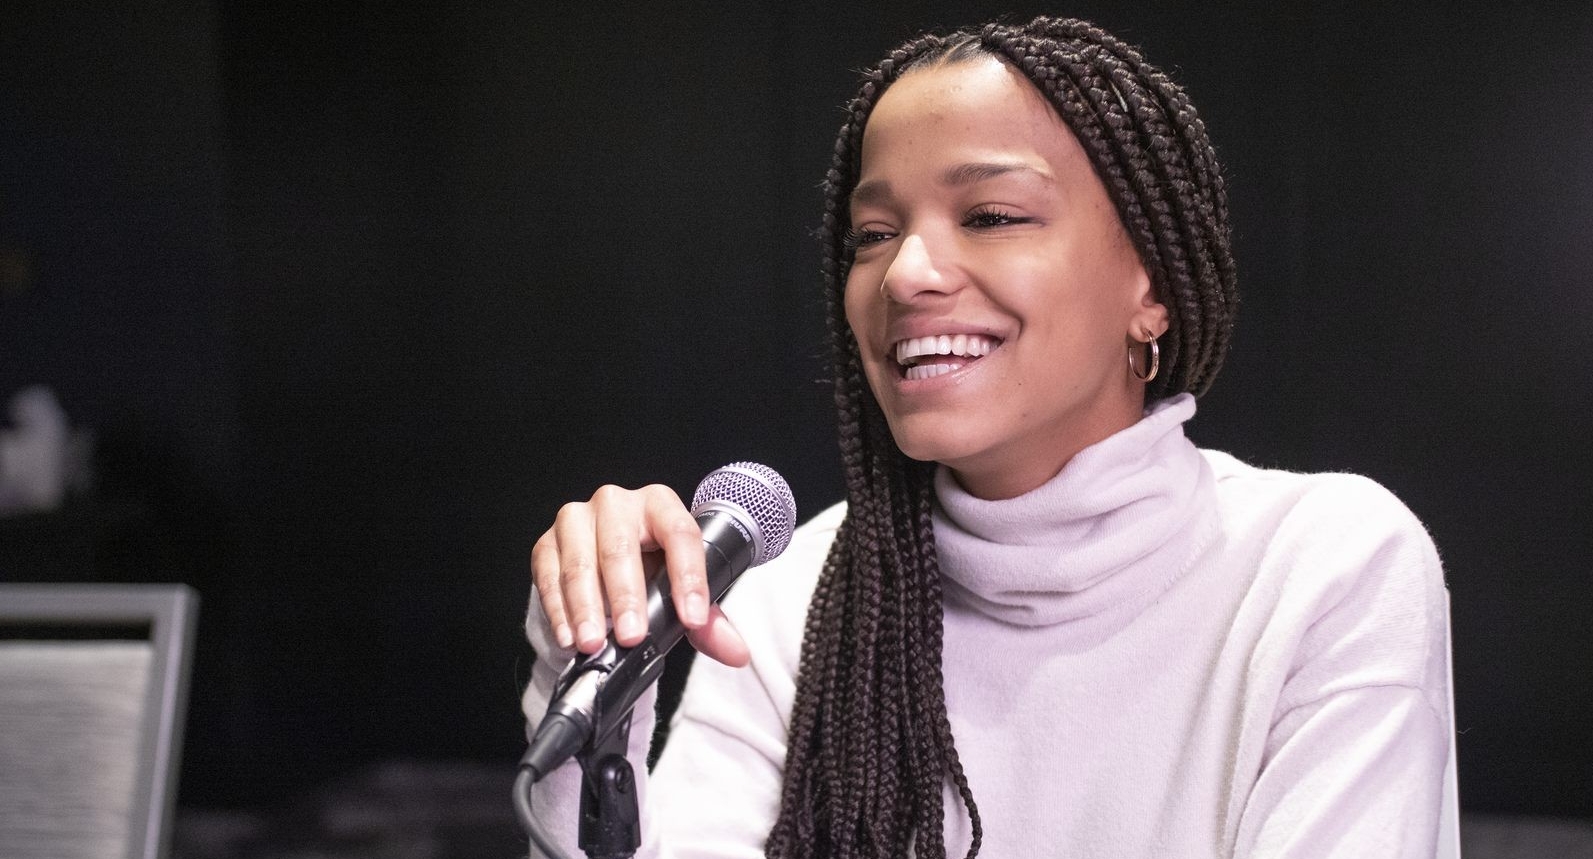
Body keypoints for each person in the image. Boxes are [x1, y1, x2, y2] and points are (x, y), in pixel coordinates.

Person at [524, 16, 1451, 859]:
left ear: (1152, 286)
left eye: (992, 216)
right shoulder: (786, 594)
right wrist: (593, 682)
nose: (906, 274)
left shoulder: (1325, 566)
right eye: (872, 234)